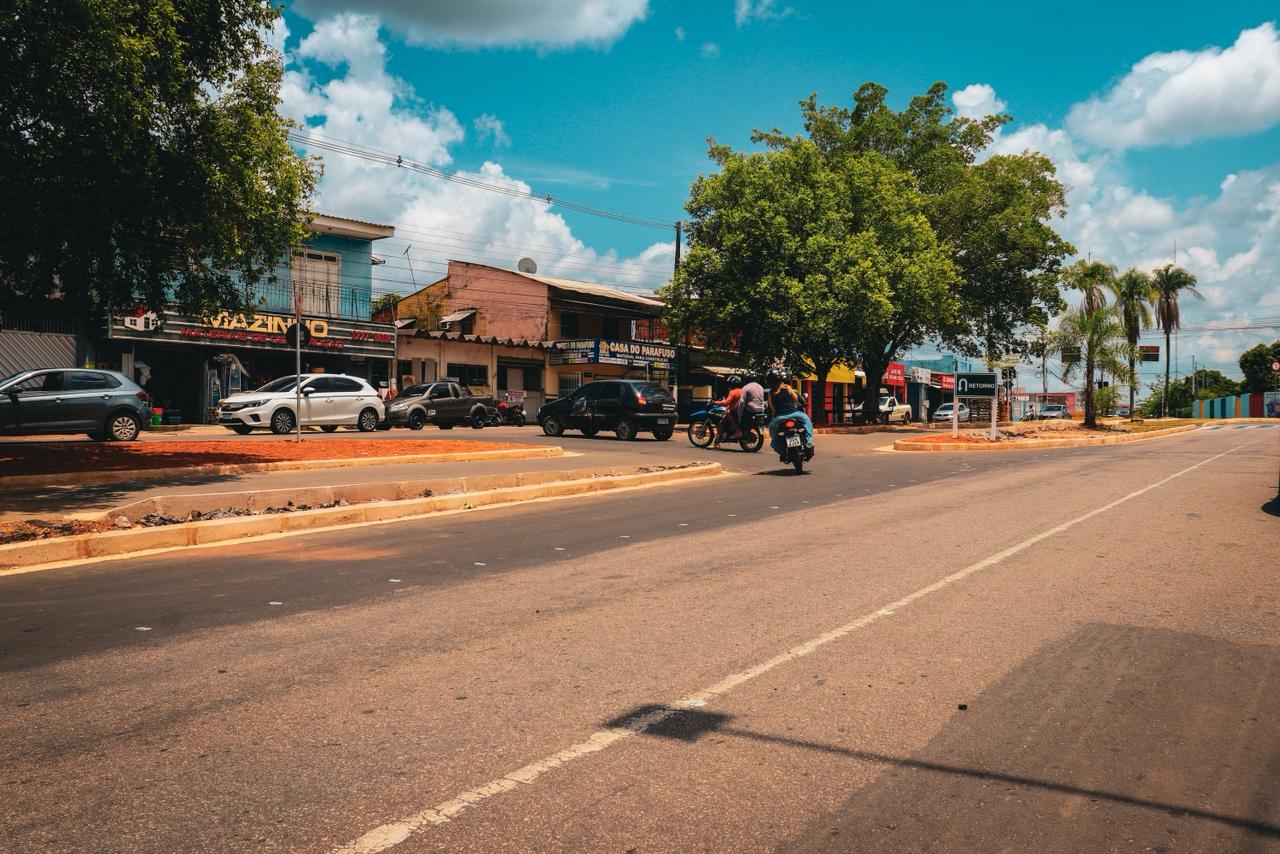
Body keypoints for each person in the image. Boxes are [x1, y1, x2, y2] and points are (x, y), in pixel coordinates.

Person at [766, 369, 814, 460]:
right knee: (807, 420)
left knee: (774, 437)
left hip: (779, 417)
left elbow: (772, 407)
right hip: (795, 413)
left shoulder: (770, 393)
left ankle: (783, 452)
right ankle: (809, 442)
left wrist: (775, 413)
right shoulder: (787, 387)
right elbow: (795, 398)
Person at [712, 375, 744, 446]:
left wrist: (715, 402)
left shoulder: (733, 392)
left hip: (734, 412)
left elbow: (727, 402)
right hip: (741, 412)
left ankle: (736, 432)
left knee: (721, 423)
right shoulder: (743, 390)